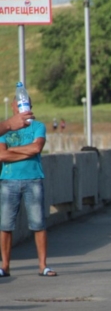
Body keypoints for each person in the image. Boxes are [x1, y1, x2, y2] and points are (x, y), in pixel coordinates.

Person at [0, 98, 57, 278]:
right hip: (8, 180)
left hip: (34, 179)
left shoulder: (38, 126)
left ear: (31, 107)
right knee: (5, 225)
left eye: (25, 105)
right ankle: (5, 266)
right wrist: (27, 150)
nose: (22, 108)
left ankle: (43, 266)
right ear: (12, 106)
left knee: (38, 224)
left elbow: (37, 148)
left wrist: (12, 152)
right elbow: (1, 155)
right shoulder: (5, 129)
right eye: (18, 104)